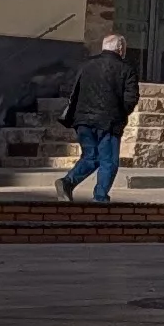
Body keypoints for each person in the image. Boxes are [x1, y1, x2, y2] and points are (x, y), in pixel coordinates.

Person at [60, 33, 136, 201]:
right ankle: (100, 197)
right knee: (108, 162)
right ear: (120, 48)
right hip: (108, 122)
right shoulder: (125, 69)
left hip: (83, 121)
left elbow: (72, 89)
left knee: (91, 157)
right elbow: (131, 98)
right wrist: (120, 113)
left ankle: (67, 182)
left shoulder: (86, 65)